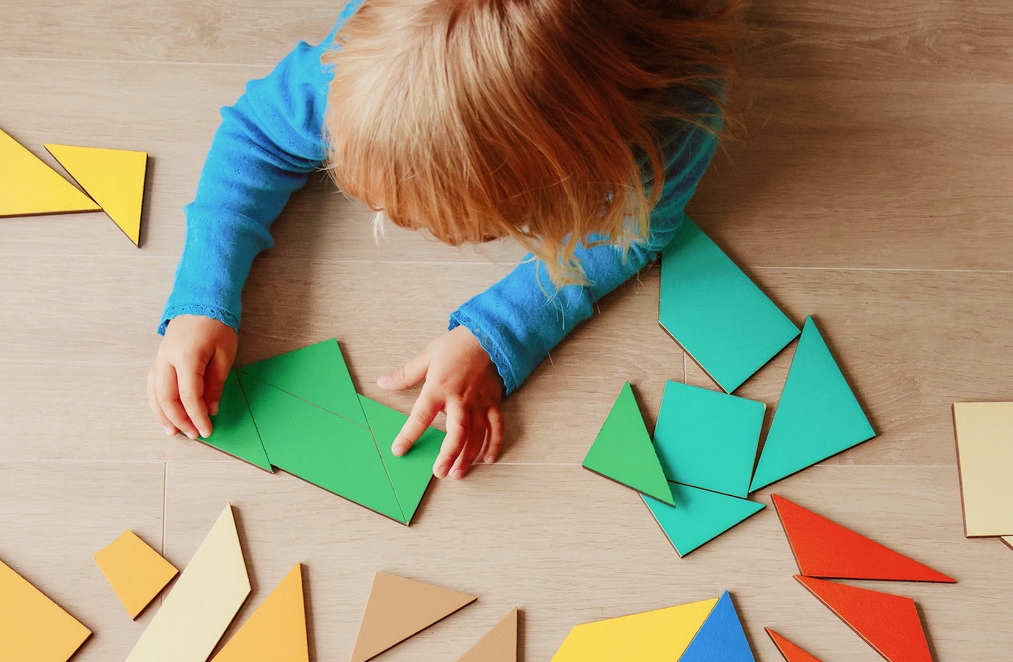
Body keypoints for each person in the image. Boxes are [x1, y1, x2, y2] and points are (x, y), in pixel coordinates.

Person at [149, 0, 737, 480]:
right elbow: (257, 134)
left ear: (560, 185)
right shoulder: (369, 63)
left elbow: (628, 237)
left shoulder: (669, 127)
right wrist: (204, 296)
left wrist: (497, 332)